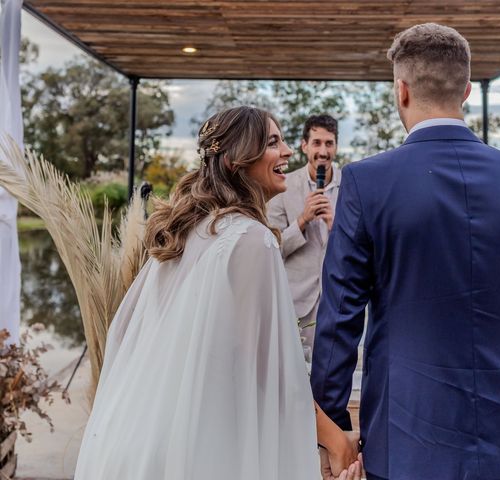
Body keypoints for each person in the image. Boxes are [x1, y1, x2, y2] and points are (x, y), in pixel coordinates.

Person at [311, 23, 500, 480]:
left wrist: (333, 431)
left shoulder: (366, 183)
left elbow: (339, 321)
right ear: (467, 90)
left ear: (401, 91)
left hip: (405, 444)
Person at [74, 107, 361, 480]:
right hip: (206, 444)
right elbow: (261, 367)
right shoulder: (249, 237)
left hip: (150, 432)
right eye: (273, 142)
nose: (288, 151)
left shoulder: (193, 228)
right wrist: (334, 439)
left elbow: (132, 330)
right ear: (236, 159)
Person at [267, 115, 341, 354]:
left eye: (329, 143)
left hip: (337, 301)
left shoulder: (352, 184)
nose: (323, 150)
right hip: (295, 302)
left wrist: (335, 226)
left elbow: (364, 246)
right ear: (304, 146)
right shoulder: (282, 186)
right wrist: (302, 220)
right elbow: (272, 248)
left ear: (336, 146)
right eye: (317, 143)